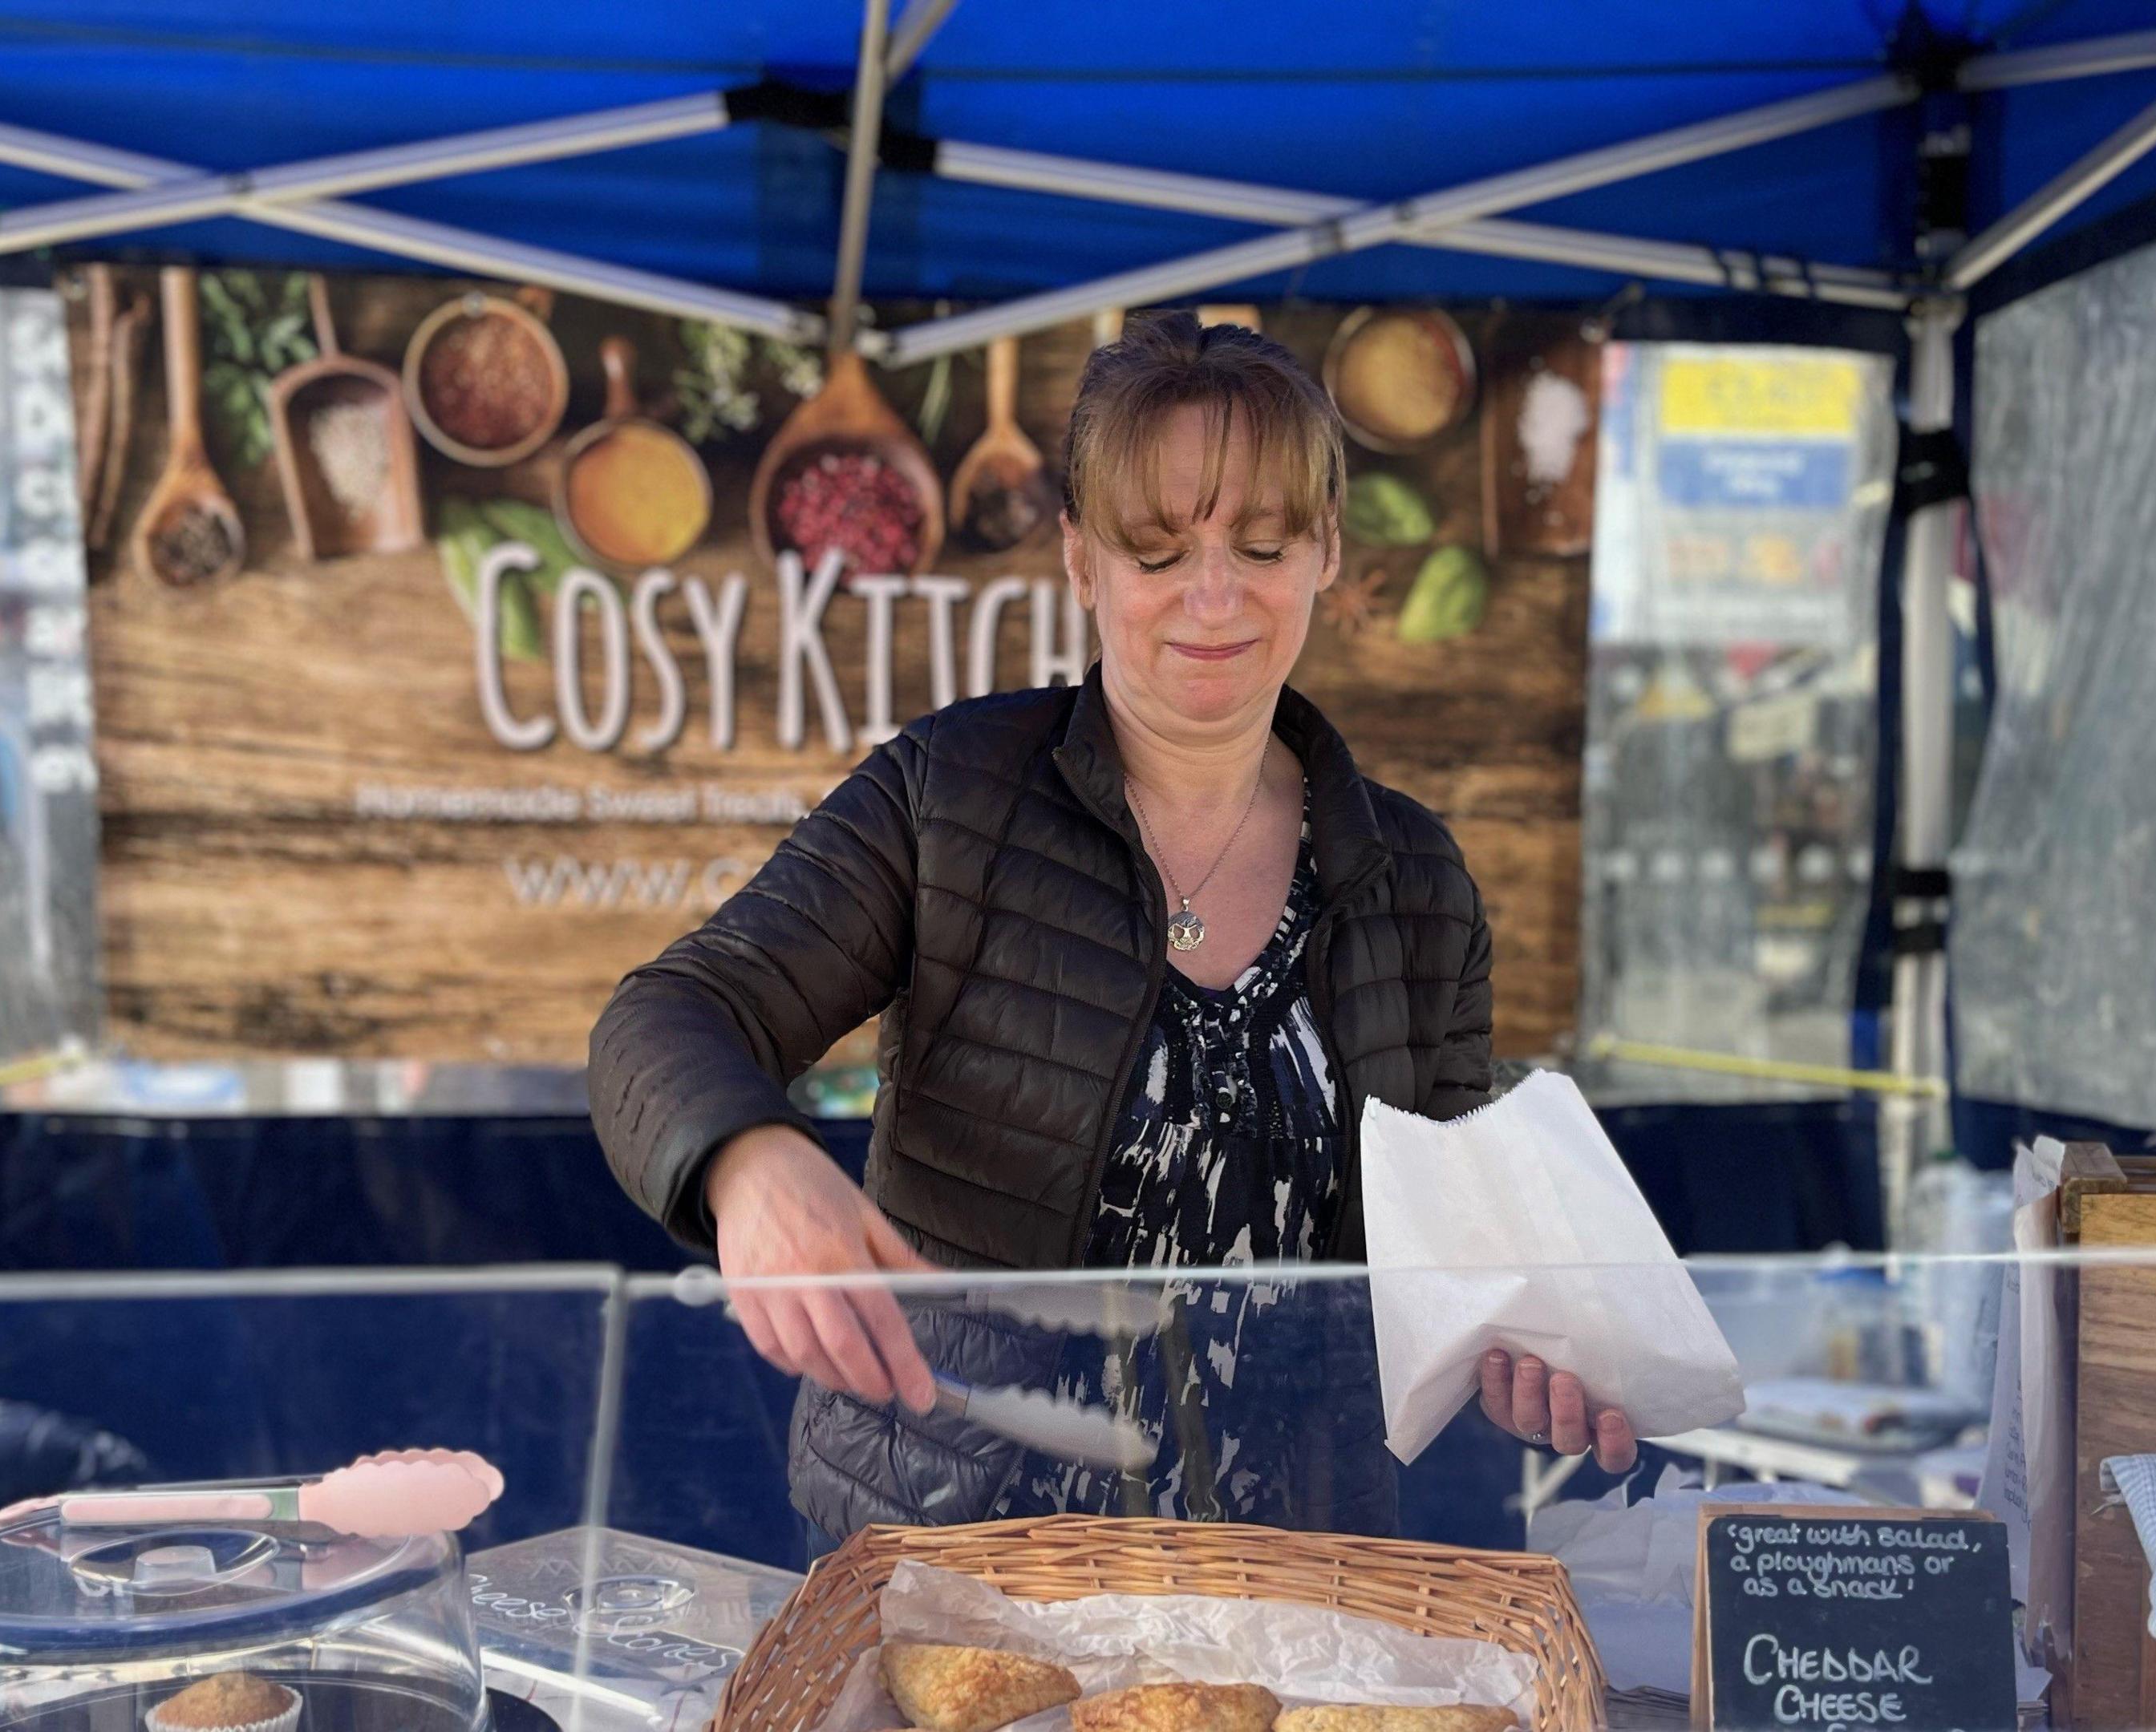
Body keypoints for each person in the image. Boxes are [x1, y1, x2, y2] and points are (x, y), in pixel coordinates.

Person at [591, 312, 1636, 1540]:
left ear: (1328, 554)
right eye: (1155, 552)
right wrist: (748, 1164)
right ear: (1081, 564)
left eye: (1261, 544)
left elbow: (1444, 1236)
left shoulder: (1416, 878)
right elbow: (669, 1015)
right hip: (962, 1560)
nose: (1212, 596)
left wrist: (1516, 1339)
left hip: (1287, 1573)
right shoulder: (951, 795)